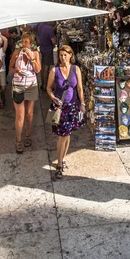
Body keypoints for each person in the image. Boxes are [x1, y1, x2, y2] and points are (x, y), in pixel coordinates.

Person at [46, 45, 85, 180]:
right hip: (60, 107)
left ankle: (62, 159)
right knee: (62, 136)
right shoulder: (54, 70)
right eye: (61, 55)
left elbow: (79, 88)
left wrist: (83, 104)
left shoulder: (76, 69)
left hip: (73, 106)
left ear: (70, 55)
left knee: (68, 134)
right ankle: (59, 164)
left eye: (65, 55)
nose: (63, 57)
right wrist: (52, 97)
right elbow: (48, 88)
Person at [9, 32, 41, 153]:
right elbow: (10, 68)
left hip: (31, 85)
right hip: (18, 86)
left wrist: (32, 58)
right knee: (20, 115)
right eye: (22, 41)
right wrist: (16, 70)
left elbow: (38, 70)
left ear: (31, 43)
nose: (24, 44)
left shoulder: (35, 54)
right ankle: (18, 140)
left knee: (29, 113)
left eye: (26, 42)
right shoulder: (16, 53)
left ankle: (28, 135)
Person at [34, 22, 57, 91]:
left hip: (42, 48)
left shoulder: (41, 24)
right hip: (48, 49)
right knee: (46, 67)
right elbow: (54, 41)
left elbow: (33, 28)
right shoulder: (49, 29)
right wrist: (56, 39)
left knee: (43, 66)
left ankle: (43, 84)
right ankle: (45, 85)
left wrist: (38, 38)